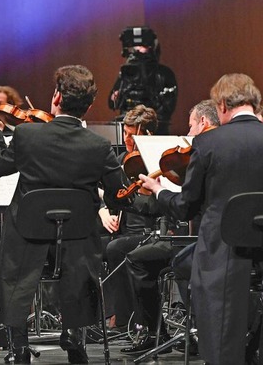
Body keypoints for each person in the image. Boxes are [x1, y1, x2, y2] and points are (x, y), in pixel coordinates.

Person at [0, 65, 131, 364]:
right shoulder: (99, 146)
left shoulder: (26, 135)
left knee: (13, 262)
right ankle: (75, 334)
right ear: (88, 106)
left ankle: (18, 347)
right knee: (84, 248)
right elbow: (119, 194)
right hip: (76, 240)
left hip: (28, 237)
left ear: (56, 97)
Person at [140, 73, 263, 364]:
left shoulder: (209, 143)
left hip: (224, 254)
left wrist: (158, 191)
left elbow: (186, 207)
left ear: (221, 105)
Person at [120, 100, 219, 355]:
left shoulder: (203, 155)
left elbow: (185, 207)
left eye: (190, 127)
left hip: (200, 240)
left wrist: (159, 190)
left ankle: (170, 332)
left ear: (204, 123)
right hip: (209, 238)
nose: (187, 136)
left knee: (146, 260)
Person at [102, 104, 165, 333]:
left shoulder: (157, 161)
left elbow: (156, 207)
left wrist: (131, 200)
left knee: (116, 248)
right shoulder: (121, 159)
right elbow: (104, 190)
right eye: (125, 134)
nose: (127, 140)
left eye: (132, 135)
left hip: (149, 232)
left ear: (147, 134)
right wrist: (103, 211)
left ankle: (126, 319)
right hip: (123, 228)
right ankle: (104, 314)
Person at [108, 26, 177, 134]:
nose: (137, 50)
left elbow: (167, 107)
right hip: (127, 125)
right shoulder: (127, 72)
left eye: (142, 46)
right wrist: (117, 96)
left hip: (154, 128)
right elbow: (112, 103)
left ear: (151, 48)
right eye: (134, 47)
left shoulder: (163, 74)